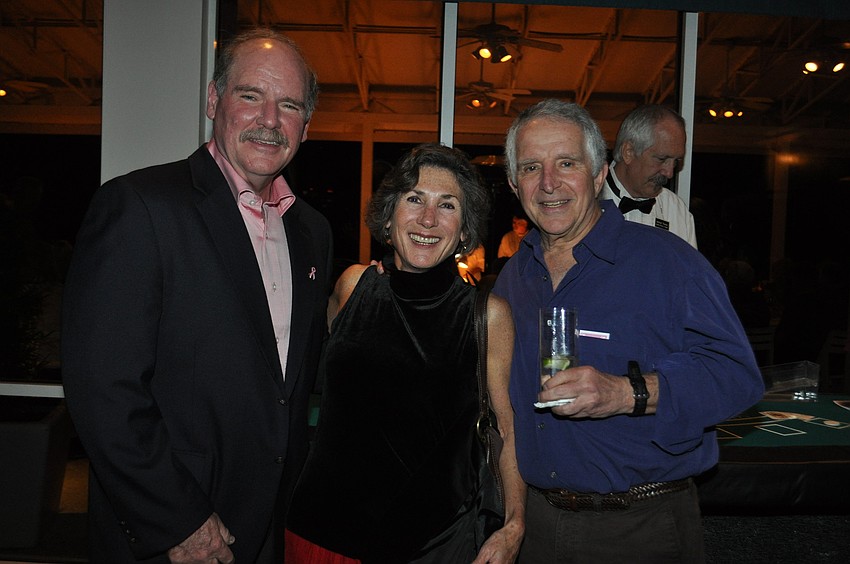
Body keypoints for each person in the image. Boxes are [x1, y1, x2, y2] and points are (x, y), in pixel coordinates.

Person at [61, 29, 332, 564]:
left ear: (307, 124)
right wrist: (176, 519)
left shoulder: (312, 232)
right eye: (250, 95)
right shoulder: (140, 206)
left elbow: (290, 386)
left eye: (290, 104)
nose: (270, 120)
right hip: (174, 532)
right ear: (214, 100)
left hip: (272, 528)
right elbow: (104, 390)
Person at [493, 99, 764, 563]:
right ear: (515, 183)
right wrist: (514, 522)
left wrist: (625, 392)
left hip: (640, 530)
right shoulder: (512, 280)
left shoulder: (670, 263)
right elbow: (510, 417)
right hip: (536, 528)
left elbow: (738, 375)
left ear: (599, 176)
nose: (549, 183)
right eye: (532, 167)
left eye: (567, 163)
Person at [286, 143, 525, 563]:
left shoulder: (487, 316)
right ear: (389, 216)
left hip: (429, 544)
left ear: (465, 230)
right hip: (321, 533)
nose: (428, 219)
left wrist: (514, 525)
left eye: (447, 205)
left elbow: (506, 430)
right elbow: (303, 379)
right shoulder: (352, 285)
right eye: (414, 199)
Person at [600, 104, 698, 248]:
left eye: (676, 161)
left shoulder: (676, 211)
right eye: (661, 159)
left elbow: (688, 269)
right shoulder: (585, 201)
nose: (669, 173)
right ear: (628, 152)